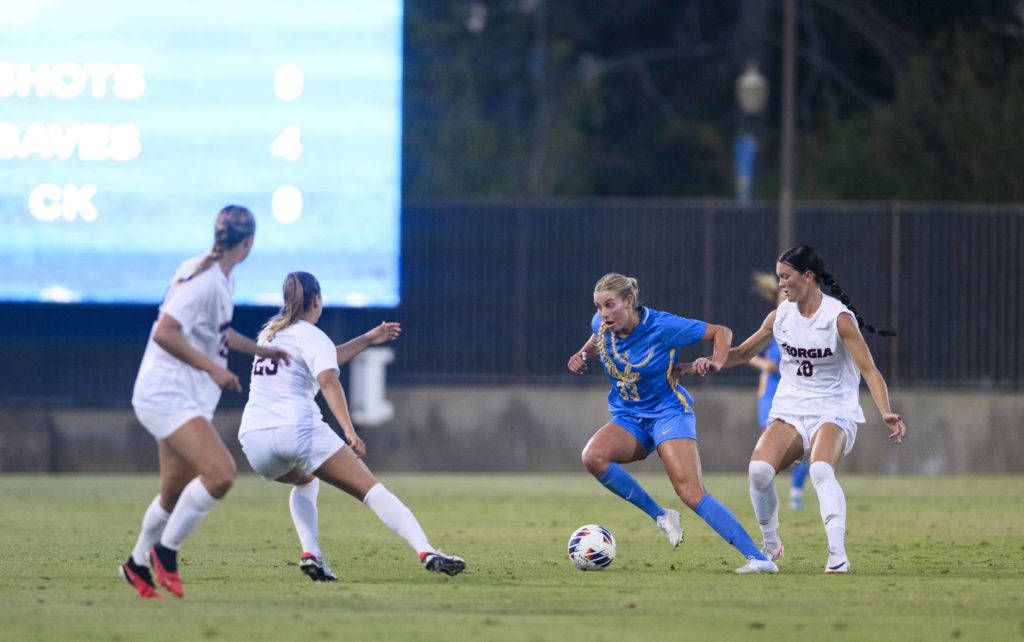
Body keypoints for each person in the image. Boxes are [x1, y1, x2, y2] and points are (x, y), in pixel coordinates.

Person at [237, 271, 465, 580]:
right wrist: (348, 430)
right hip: (297, 429)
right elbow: (327, 378)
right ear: (317, 300)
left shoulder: (269, 334)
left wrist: (367, 339)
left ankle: (311, 554)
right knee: (371, 490)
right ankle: (426, 550)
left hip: (254, 440)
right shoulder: (311, 334)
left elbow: (323, 358)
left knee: (306, 481)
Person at [121, 205, 291, 599]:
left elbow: (216, 332)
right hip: (167, 396)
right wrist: (214, 369)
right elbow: (165, 332)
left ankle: (136, 564)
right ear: (248, 243)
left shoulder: (215, 274)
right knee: (221, 474)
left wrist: (260, 350)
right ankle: (165, 552)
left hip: (183, 396)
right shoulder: (206, 281)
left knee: (173, 492)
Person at [703, 245, 907, 574]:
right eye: (779, 277)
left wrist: (885, 411)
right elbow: (742, 353)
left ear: (808, 276)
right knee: (758, 473)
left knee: (821, 471)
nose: (781, 284)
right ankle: (770, 545)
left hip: (834, 408)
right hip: (791, 407)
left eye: (786, 277)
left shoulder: (838, 318)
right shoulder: (780, 316)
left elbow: (869, 369)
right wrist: (705, 363)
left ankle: (837, 555)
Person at [567, 273, 778, 574]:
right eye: (598, 307)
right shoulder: (602, 323)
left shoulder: (662, 326)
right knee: (593, 457)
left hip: (669, 413)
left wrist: (716, 362)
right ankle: (661, 516)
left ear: (629, 302)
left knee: (691, 493)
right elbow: (597, 336)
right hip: (629, 417)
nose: (603, 313)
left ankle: (758, 558)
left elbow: (721, 332)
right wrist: (583, 353)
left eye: (609, 305)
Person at [749, 272, 809, 511]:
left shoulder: (805, 328)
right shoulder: (772, 326)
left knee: (807, 446)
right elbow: (748, 354)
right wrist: (765, 365)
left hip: (798, 393)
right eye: (781, 299)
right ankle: (764, 488)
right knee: (772, 446)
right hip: (771, 393)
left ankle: (795, 493)